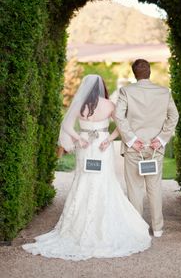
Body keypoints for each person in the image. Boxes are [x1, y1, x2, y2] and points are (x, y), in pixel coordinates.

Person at [22, 74, 151, 261]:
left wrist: (78, 138)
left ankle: (77, 225)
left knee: (83, 180)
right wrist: (109, 139)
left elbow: (66, 125)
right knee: (104, 181)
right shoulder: (109, 104)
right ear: (101, 87)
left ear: (85, 88)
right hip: (102, 146)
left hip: (85, 146)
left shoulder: (79, 104)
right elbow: (123, 125)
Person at [114, 59, 179, 238]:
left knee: (134, 188)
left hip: (135, 147)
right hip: (155, 147)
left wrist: (132, 139)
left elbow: (118, 117)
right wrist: (162, 138)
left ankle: (138, 229)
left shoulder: (126, 91)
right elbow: (174, 117)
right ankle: (157, 228)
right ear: (149, 71)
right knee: (155, 187)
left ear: (135, 74)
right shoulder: (164, 92)